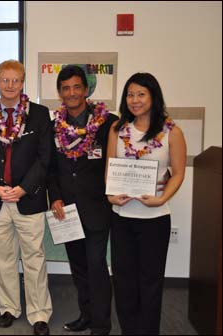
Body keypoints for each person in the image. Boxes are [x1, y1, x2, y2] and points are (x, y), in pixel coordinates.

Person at [0, 60, 52, 335]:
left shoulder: (40, 115)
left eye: (16, 80)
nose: (10, 85)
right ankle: (8, 308)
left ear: (23, 82)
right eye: (5, 80)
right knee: (3, 259)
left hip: (28, 199)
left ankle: (39, 313)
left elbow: (45, 158)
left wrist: (23, 188)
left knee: (34, 258)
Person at [106, 72, 186, 335]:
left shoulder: (171, 132)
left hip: (155, 219)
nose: (135, 100)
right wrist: (110, 196)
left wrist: (162, 197)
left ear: (153, 96)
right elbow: (109, 168)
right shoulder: (118, 130)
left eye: (141, 94)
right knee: (124, 281)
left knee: (150, 282)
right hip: (122, 217)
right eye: (130, 94)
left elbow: (179, 172)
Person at [47, 64, 118, 335]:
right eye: (66, 88)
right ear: (60, 92)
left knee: (97, 266)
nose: (72, 92)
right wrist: (54, 198)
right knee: (78, 267)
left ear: (86, 90)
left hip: (98, 207)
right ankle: (86, 315)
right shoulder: (54, 126)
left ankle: (101, 324)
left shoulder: (107, 122)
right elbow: (50, 168)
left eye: (77, 87)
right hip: (66, 210)